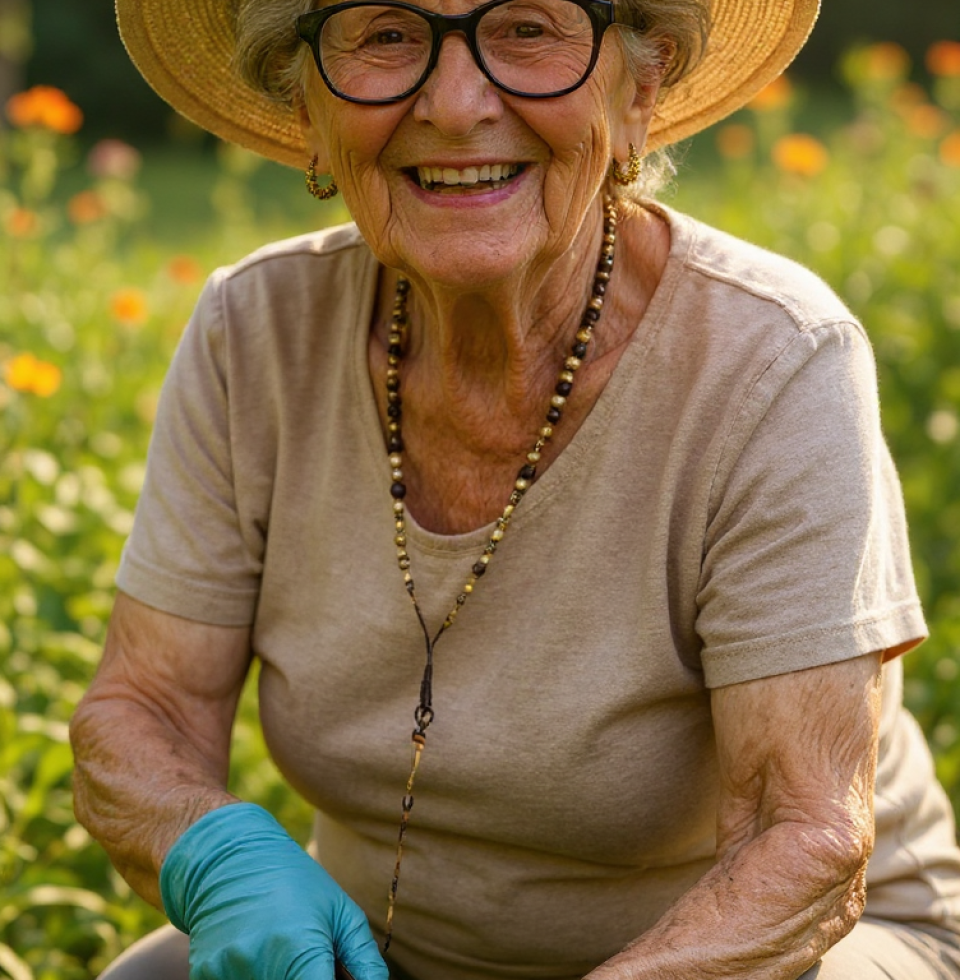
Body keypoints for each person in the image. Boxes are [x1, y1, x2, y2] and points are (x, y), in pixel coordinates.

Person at [69, 0, 960, 977]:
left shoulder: (772, 360)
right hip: (382, 951)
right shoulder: (255, 333)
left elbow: (804, 841)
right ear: (306, 105)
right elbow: (141, 710)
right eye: (385, 34)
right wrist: (218, 855)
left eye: (529, 28)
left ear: (639, 90)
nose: (455, 105)